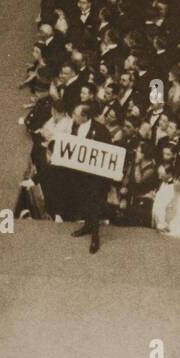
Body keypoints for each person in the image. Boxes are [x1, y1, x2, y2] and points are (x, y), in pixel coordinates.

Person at [65, 104, 113, 254]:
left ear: (85, 117)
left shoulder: (101, 131)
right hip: (79, 174)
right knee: (84, 201)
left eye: (75, 114)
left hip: (95, 177)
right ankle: (87, 226)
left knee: (94, 205)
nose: (73, 117)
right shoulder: (75, 126)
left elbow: (107, 153)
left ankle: (95, 237)